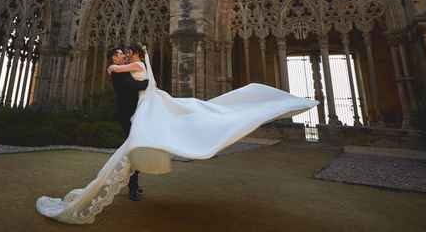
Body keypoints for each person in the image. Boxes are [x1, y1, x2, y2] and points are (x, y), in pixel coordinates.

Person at [36, 45, 319, 225]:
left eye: (127, 54)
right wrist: (116, 68)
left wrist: (113, 65)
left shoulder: (134, 66)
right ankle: (128, 182)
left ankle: (119, 184)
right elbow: (135, 81)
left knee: (159, 131)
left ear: (134, 56)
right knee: (183, 118)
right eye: (121, 55)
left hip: (147, 107)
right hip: (146, 108)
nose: (124, 57)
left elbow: (129, 75)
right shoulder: (137, 67)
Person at [107, 45, 148, 201]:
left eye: (124, 53)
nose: (123, 55)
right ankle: (132, 187)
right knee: (132, 150)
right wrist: (147, 84)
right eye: (119, 54)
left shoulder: (121, 69)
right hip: (126, 114)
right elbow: (134, 85)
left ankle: (134, 184)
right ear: (114, 58)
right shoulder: (119, 73)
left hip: (134, 112)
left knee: (134, 148)